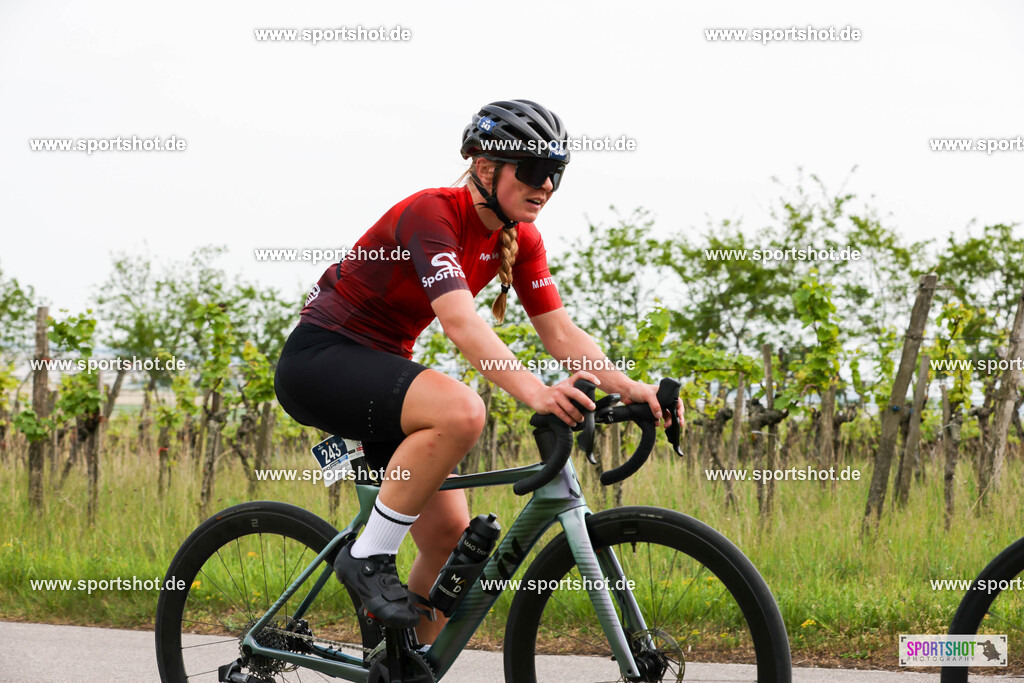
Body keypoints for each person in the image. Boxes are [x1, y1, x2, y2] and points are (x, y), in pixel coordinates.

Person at [273, 99, 681, 642]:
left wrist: (633, 387)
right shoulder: (432, 213)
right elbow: (462, 324)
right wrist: (536, 392)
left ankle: (397, 667)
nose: (546, 187)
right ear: (486, 168)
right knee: (462, 410)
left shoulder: (522, 238)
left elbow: (560, 334)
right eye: (534, 171)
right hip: (320, 361)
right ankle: (366, 557)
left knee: (449, 545)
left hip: (380, 372)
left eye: (555, 175)